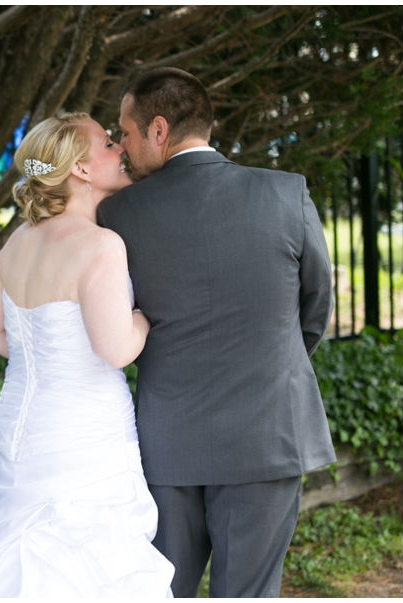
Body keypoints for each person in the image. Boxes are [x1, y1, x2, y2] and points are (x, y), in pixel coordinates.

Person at [97, 67, 335, 598]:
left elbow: (109, 322)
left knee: (163, 591)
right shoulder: (286, 194)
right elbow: (315, 310)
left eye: (127, 133)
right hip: (267, 434)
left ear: (159, 130)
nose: (124, 148)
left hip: (167, 444)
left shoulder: (117, 213)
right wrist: (269, 363)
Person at [0, 113, 175, 597]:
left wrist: (42, 360)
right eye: (105, 143)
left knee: (19, 549)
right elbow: (116, 348)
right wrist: (147, 315)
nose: (120, 148)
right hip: (82, 433)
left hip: (21, 426)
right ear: (79, 169)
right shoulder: (101, 245)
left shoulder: (19, 241)